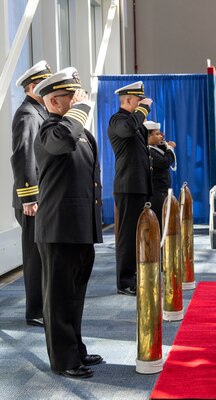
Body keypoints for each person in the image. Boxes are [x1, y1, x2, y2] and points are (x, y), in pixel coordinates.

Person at [33, 67, 103, 378]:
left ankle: (77, 349)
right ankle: (63, 360)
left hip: (79, 227)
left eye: (77, 95)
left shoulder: (79, 131)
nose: (78, 100)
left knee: (75, 296)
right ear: (53, 101)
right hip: (58, 228)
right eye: (71, 96)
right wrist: (82, 109)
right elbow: (63, 141)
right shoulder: (49, 131)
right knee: (59, 299)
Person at [10, 60, 52, 327]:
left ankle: (42, 307)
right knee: (35, 256)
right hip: (32, 199)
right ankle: (35, 311)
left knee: (42, 254)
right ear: (33, 86)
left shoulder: (40, 111)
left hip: (41, 196)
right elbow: (23, 156)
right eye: (45, 85)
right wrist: (29, 197)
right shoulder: (28, 114)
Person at [108, 81, 153, 296]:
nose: (142, 103)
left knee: (137, 234)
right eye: (139, 100)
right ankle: (124, 281)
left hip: (138, 186)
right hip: (128, 186)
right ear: (128, 100)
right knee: (127, 235)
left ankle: (134, 275)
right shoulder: (119, 120)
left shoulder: (135, 123)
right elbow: (127, 130)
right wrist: (143, 110)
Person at [145, 120, 176, 227]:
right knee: (159, 224)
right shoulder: (149, 151)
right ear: (147, 136)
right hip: (156, 193)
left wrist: (164, 147)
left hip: (162, 192)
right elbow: (165, 162)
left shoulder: (155, 149)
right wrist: (170, 149)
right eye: (157, 134)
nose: (161, 136)